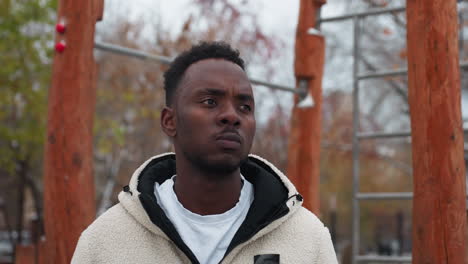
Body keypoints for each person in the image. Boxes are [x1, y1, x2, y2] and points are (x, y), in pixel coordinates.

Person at [72, 42, 337, 264]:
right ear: (169, 121)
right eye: (210, 102)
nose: (231, 116)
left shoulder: (307, 239)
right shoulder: (105, 243)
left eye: (244, 107)